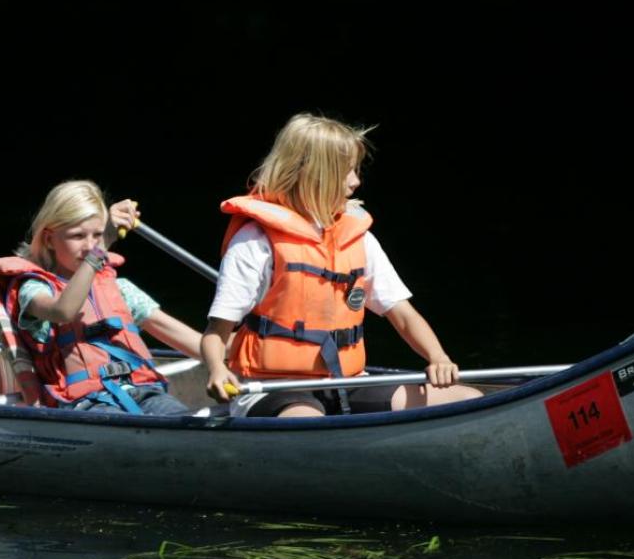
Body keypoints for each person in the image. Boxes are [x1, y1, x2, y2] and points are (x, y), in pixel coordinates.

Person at [201, 113, 482, 417]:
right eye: (346, 172)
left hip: (347, 381)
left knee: (467, 398)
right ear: (313, 174)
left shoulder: (358, 239)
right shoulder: (255, 242)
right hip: (272, 387)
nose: (355, 182)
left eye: (356, 170)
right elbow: (216, 332)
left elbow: (402, 314)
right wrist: (217, 369)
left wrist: (437, 356)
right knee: (307, 424)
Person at [0, 180, 203, 415]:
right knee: (124, 430)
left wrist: (244, 337)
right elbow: (63, 311)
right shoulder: (35, 289)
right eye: (78, 236)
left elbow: (198, 344)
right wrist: (101, 249)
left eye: (98, 235)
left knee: (180, 418)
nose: (90, 246)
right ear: (49, 239)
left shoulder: (120, 289)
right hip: (86, 403)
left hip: (145, 392)